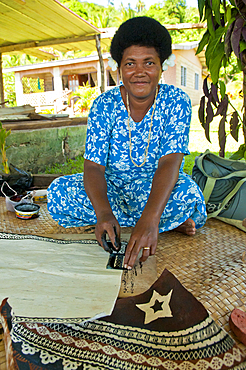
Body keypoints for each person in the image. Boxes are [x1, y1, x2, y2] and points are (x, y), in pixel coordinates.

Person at [47, 17, 207, 269]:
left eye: (149, 63)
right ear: (119, 68)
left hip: (156, 189)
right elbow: (93, 167)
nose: (140, 72)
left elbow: (170, 163)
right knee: (59, 192)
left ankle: (151, 221)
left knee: (187, 194)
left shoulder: (177, 101)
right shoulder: (104, 104)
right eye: (130, 63)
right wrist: (103, 212)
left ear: (162, 67)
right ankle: (160, 222)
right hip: (112, 189)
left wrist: (150, 217)